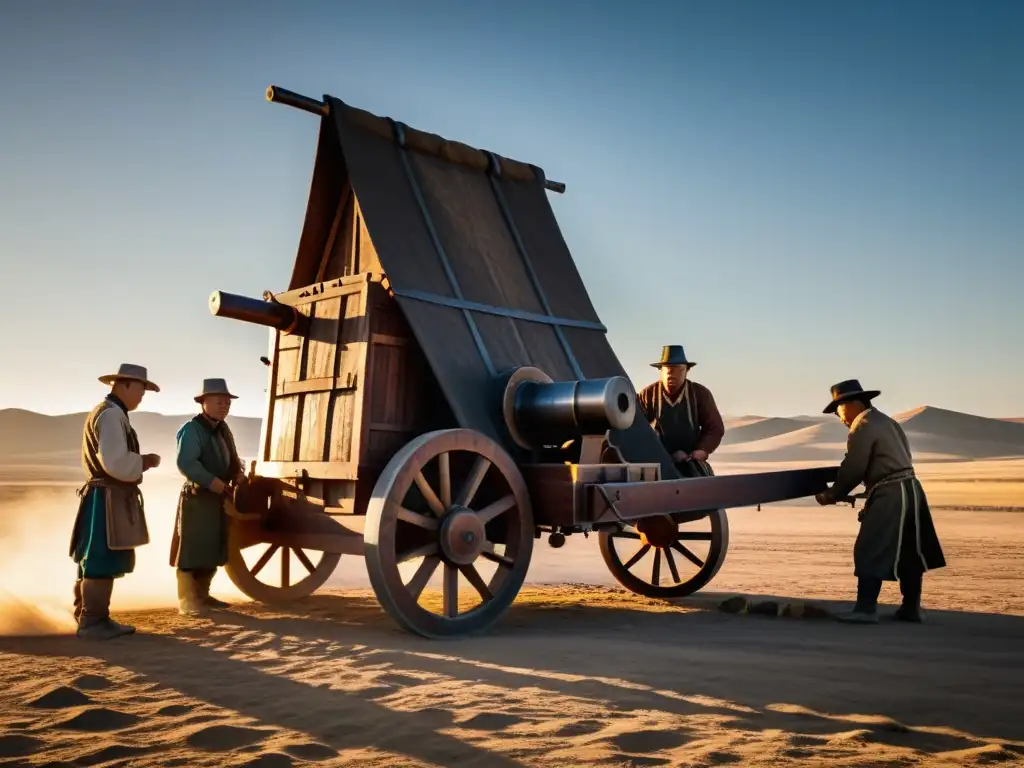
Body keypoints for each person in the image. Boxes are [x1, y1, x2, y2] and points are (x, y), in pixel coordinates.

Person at [815, 379, 946, 624]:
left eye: (838, 409)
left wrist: (832, 494)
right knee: (910, 550)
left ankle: (865, 609)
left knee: (869, 547)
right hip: (911, 489)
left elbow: (854, 468)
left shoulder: (862, 426)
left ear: (851, 403)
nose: (838, 416)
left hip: (889, 494)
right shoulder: (886, 421)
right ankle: (911, 608)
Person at [70, 363, 161, 640]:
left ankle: (85, 615)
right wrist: (145, 462)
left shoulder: (109, 412)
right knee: (101, 556)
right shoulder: (111, 416)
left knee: (93, 556)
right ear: (124, 385)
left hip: (102, 496)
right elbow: (115, 463)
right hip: (106, 499)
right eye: (141, 389)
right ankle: (93, 622)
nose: (142, 395)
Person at [170, 378, 245, 617]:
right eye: (218, 401)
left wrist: (238, 474)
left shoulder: (223, 429)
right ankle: (187, 601)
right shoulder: (192, 429)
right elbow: (186, 463)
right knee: (192, 549)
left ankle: (203, 595)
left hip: (217, 498)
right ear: (203, 403)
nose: (224, 405)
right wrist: (211, 481)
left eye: (227, 402)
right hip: (197, 497)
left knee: (212, 546)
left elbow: (232, 458)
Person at [636, 344, 725, 478]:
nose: (672, 374)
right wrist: (661, 454)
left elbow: (715, 427)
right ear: (661, 371)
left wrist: (702, 450)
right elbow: (636, 428)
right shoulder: (648, 395)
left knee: (704, 488)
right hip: (658, 461)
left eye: (679, 369)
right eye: (668, 369)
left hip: (691, 460)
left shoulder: (699, 393)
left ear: (686, 371)